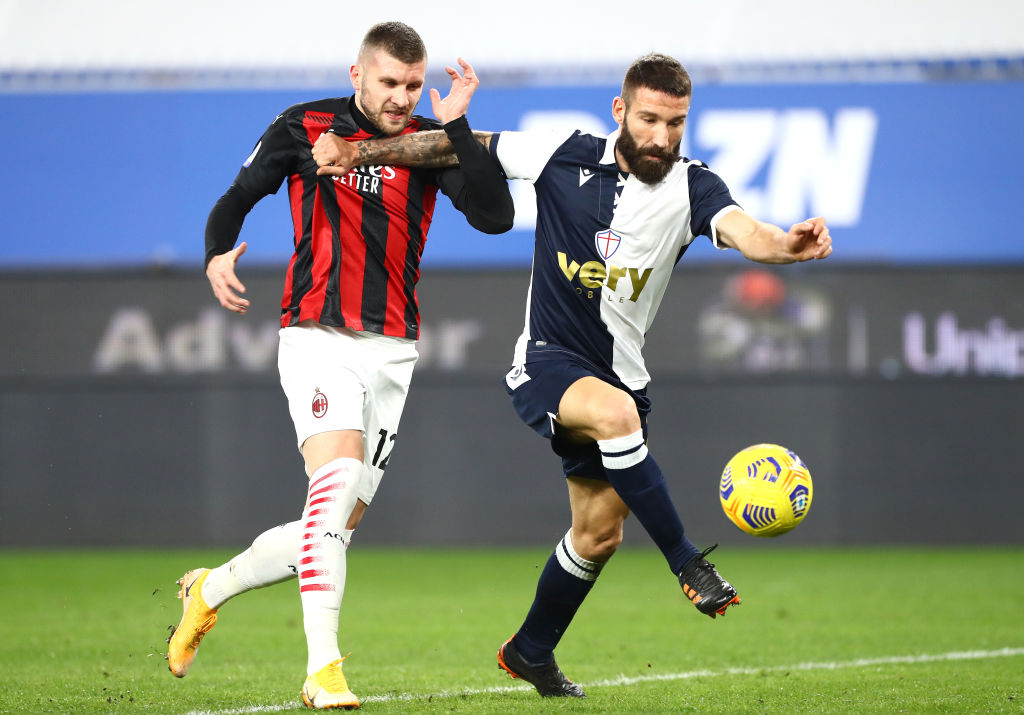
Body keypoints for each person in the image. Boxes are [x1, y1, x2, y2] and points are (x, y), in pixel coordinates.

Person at [313, 52, 832, 699]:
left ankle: (530, 650)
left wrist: (787, 246)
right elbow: (445, 146)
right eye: (649, 119)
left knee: (598, 534)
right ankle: (687, 562)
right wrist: (356, 152)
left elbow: (749, 232)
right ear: (620, 111)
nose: (661, 136)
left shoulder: (693, 187)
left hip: (622, 377)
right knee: (615, 416)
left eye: (675, 123)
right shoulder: (563, 153)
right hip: (548, 362)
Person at [165, 21, 513, 710]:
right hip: (316, 334)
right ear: (357, 75)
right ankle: (323, 670)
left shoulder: (427, 141)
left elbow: (496, 216)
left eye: (412, 85)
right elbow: (238, 196)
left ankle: (209, 589)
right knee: (338, 476)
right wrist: (216, 252)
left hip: (393, 351)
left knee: (329, 529)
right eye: (389, 82)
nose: (401, 96)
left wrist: (458, 126)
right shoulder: (304, 126)